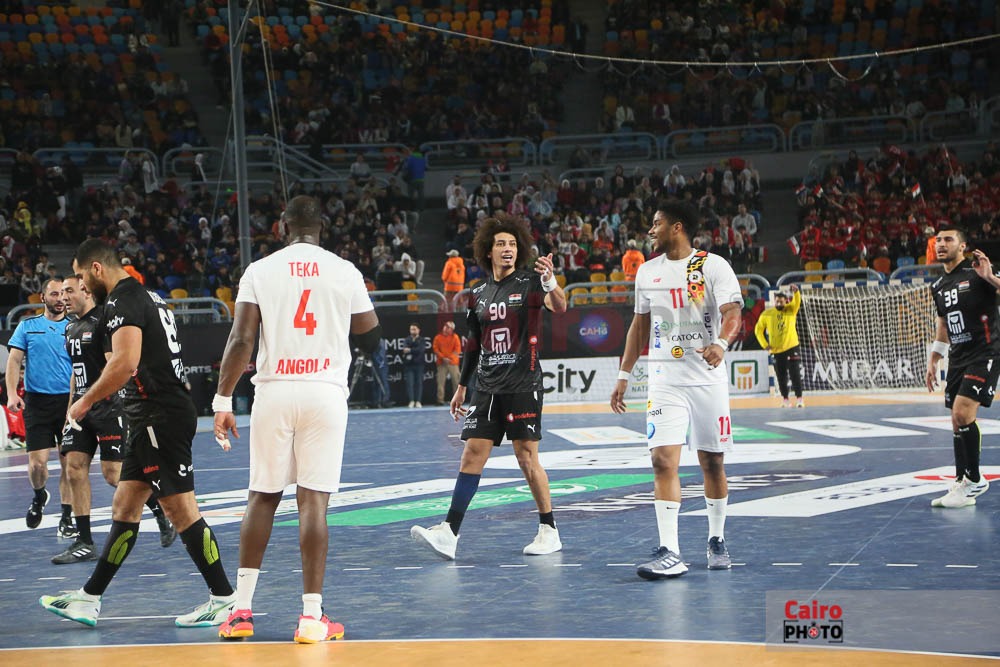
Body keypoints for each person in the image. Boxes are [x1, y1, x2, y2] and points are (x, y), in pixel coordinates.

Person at [39, 239, 236, 628]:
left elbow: (125, 363)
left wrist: (84, 402)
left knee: (180, 510)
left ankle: (224, 598)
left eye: (80, 276)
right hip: (153, 414)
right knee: (125, 507)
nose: (79, 284)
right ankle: (88, 599)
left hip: (158, 416)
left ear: (97, 269)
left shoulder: (121, 301)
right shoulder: (150, 296)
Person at [212, 195, 381, 642]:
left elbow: (241, 341)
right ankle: (310, 617)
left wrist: (222, 399)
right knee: (313, 502)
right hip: (324, 392)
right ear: (321, 228)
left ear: (281, 227)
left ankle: (241, 612)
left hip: (274, 391)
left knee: (262, 496)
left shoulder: (259, 270)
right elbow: (370, 335)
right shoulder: (344, 270)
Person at [410, 214, 568, 560]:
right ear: (488, 251)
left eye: (512, 243)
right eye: (500, 243)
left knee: (526, 457)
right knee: (471, 453)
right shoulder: (477, 292)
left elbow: (560, 306)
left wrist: (551, 281)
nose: (507, 248)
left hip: (523, 383)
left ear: (519, 249)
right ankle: (449, 533)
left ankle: (549, 530)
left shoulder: (531, 282)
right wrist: (462, 386)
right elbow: (473, 343)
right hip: (487, 386)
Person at [610, 200, 743, 579]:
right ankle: (670, 550)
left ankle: (716, 538)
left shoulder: (713, 266)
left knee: (712, 462)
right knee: (662, 461)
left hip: (707, 379)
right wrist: (624, 373)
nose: (650, 230)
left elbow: (734, 313)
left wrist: (721, 343)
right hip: (664, 380)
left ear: (677, 227)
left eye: (657, 223)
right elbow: (639, 326)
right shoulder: (647, 271)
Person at [51, 275, 176, 565]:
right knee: (73, 468)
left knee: (113, 474)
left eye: (69, 291)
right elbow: (76, 372)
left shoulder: (104, 321)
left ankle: (160, 509)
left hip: (108, 407)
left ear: (85, 291)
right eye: (60, 292)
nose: (63, 297)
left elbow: (115, 365)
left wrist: (111, 401)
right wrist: (70, 409)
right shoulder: (69, 327)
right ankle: (84, 542)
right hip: (81, 408)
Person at [925, 227, 995, 508]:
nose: (941, 244)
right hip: (958, 356)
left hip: (985, 351)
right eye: (938, 240)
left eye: (948, 239)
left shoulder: (978, 272)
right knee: (956, 419)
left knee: (963, 412)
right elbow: (943, 323)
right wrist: (934, 358)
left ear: (962, 246)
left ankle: (975, 480)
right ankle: (962, 480)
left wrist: (990, 277)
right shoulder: (938, 285)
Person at [6, 278, 76, 539]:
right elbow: (14, 360)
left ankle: (67, 517)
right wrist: (12, 393)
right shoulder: (28, 326)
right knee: (37, 465)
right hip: (36, 403)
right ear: (43, 297)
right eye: (54, 294)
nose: (60, 299)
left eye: (63, 294)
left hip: (68, 404)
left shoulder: (74, 327)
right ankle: (39, 496)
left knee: (69, 463)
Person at [754, 284, 805, 408]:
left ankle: (799, 399)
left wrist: (796, 292)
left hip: (792, 347)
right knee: (781, 376)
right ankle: (785, 399)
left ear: (786, 301)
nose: (779, 303)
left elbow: (797, 301)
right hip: (776, 350)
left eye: (781, 301)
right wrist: (765, 345)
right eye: (777, 301)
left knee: (795, 374)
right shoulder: (767, 314)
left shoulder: (791, 310)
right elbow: (758, 330)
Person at [433, 321, 461, 405]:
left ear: (452, 329)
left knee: (456, 382)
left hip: (453, 363)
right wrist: (443, 358)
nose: (445, 328)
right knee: (440, 382)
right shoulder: (438, 337)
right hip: (441, 363)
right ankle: (440, 400)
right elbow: (435, 349)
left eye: (448, 327)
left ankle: (456, 400)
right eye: (445, 326)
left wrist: (449, 358)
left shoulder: (455, 337)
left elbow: (457, 350)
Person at [402, 323, 426, 408]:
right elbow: (405, 349)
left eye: (414, 329)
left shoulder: (422, 340)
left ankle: (418, 401)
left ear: (418, 330)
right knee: (410, 383)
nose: (413, 331)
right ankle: (411, 401)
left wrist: (410, 350)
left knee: (419, 383)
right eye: (411, 329)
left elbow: (420, 350)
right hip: (409, 365)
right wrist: (412, 350)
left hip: (419, 365)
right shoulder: (407, 339)